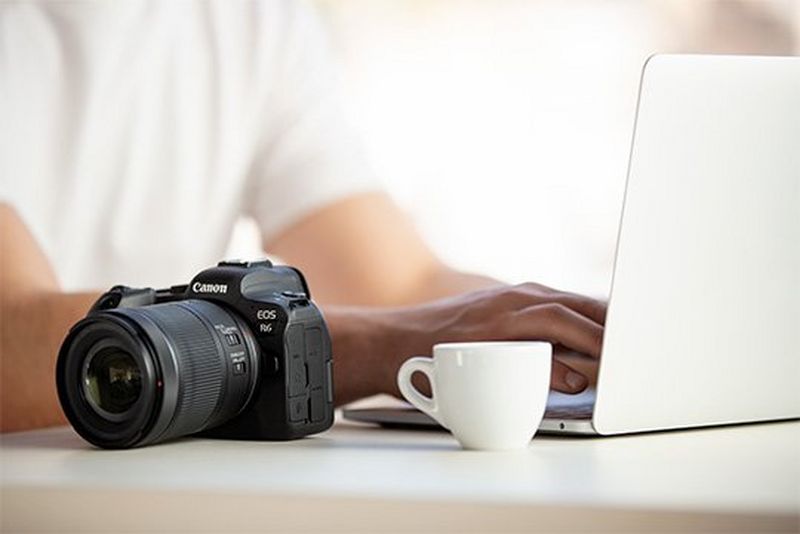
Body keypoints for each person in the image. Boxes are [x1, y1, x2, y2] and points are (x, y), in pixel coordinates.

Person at [0, 1, 604, 432]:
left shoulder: (252, 24)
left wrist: (592, 332)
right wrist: (397, 343)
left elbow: (405, 288)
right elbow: (11, 333)